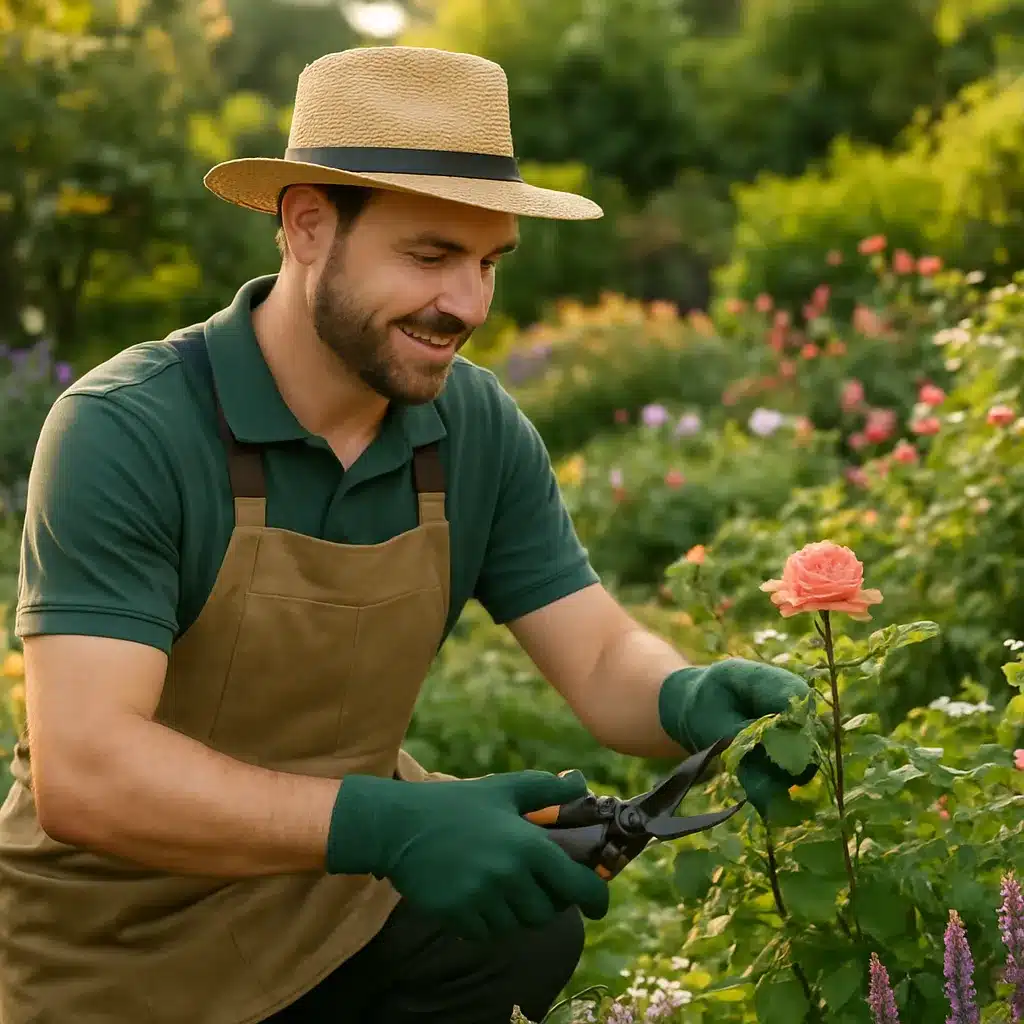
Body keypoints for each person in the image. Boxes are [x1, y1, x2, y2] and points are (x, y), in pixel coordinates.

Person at [0, 45, 816, 1024]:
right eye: (429, 257)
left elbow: (599, 654)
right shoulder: (129, 429)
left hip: (330, 907)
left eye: (488, 263)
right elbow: (88, 772)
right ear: (307, 224)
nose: (466, 305)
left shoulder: (471, 426)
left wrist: (688, 698)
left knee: (522, 930)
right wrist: (389, 823)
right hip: (109, 953)